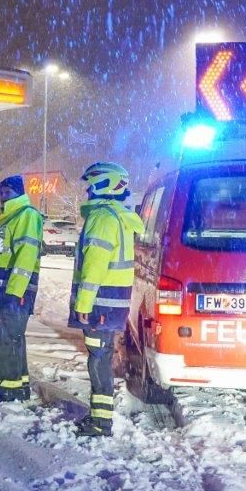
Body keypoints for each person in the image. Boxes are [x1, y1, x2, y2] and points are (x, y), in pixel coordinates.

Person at [69, 161, 145, 436]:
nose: (87, 190)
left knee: (98, 360)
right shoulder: (119, 217)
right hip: (114, 302)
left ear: (104, 184)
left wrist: (83, 305)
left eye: (91, 184)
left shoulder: (101, 219)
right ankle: (101, 417)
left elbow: (94, 267)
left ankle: (100, 422)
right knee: (101, 357)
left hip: (99, 302)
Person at [0, 175, 44, 401]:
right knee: (11, 338)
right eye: (1, 192)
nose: (3, 196)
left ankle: (10, 391)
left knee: (6, 339)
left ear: (19, 192)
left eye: (8, 192)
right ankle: (18, 386)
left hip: (14, 292)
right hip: (2, 291)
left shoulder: (26, 215)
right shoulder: (7, 217)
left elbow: (25, 256)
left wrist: (16, 291)